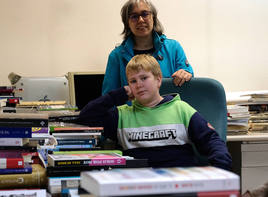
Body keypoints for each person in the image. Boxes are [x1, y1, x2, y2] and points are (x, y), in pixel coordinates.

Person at [79, 54, 232, 170]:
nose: (139, 85)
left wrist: (217, 174)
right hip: (140, 186)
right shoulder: (122, 116)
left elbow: (213, 142)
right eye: (133, 81)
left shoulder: (181, 109)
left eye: (144, 78)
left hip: (180, 183)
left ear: (158, 80)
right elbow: (85, 119)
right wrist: (118, 95)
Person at [102, 0, 194, 95]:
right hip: (132, 109)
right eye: (134, 16)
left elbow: (188, 78)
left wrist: (185, 73)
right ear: (127, 23)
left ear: (153, 17)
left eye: (145, 14)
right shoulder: (116, 56)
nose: (141, 20)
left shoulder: (173, 48)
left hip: (168, 108)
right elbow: (108, 99)